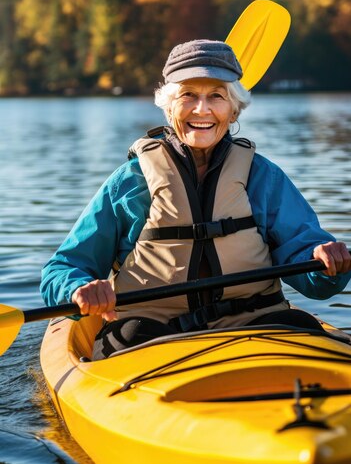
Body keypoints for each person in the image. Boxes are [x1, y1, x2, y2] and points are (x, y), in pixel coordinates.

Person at [40, 40, 351, 359]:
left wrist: (328, 262)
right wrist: (77, 288)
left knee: (297, 324)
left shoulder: (263, 178)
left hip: (254, 323)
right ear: (169, 105)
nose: (202, 109)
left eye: (216, 96)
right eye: (188, 95)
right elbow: (64, 267)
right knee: (130, 335)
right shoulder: (132, 182)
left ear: (233, 110)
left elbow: (315, 279)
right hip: (152, 329)